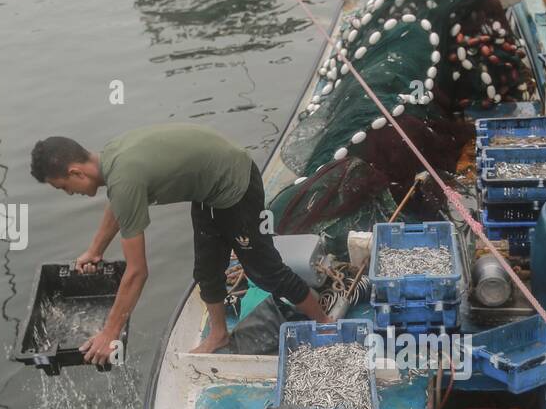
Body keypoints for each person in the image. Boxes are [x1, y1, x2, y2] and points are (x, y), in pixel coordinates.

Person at [30, 123, 329, 360]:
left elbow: (137, 272)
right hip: (208, 190)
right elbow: (119, 206)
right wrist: (95, 250)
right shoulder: (111, 157)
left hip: (235, 181)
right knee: (207, 271)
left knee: (264, 270)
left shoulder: (124, 179)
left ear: (76, 172)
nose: (69, 194)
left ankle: (325, 324)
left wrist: (109, 334)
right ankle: (218, 335)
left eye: (64, 187)